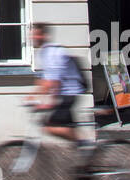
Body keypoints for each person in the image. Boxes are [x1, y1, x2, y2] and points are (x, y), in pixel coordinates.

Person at [29, 23, 97, 167]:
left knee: (51, 127)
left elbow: (53, 82)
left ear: (44, 35)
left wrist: (43, 101)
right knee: (66, 127)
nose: (33, 37)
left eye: (37, 34)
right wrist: (32, 96)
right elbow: (43, 80)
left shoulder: (53, 52)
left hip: (70, 92)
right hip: (64, 92)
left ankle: (86, 145)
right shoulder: (44, 52)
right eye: (32, 34)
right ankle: (85, 160)